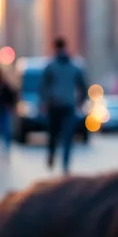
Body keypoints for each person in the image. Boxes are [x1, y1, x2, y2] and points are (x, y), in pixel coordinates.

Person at [39, 38, 88, 174]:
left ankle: (52, 155)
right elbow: (83, 86)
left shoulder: (50, 66)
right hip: (68, 105)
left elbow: (43, 86)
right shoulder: (74, 67)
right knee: (67, 137)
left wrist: (44, 101)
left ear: (55, 48)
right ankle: (65, 165)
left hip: (54, 105)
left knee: (53, 134)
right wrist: (80, 102)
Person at [0, 69, 17, 158]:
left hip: (4, 109)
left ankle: (6, 147)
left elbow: (12, 95)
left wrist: (11, 106)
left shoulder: (5, 86)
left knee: (6, 128)